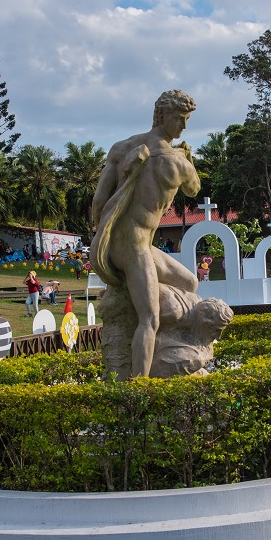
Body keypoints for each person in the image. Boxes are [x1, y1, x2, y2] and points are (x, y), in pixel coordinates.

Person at [90, 88, 203, 377]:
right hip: (135, 247)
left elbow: (98, 204)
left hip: (111, 245)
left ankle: (167, 347)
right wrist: (187, 157)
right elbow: (194, 188)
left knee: (190, 282)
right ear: (162, 115)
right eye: (180, 118)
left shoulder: (120, 148)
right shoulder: (176, 162)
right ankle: (139, 390)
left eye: (187, 119)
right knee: (149, 319)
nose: (184, 126)